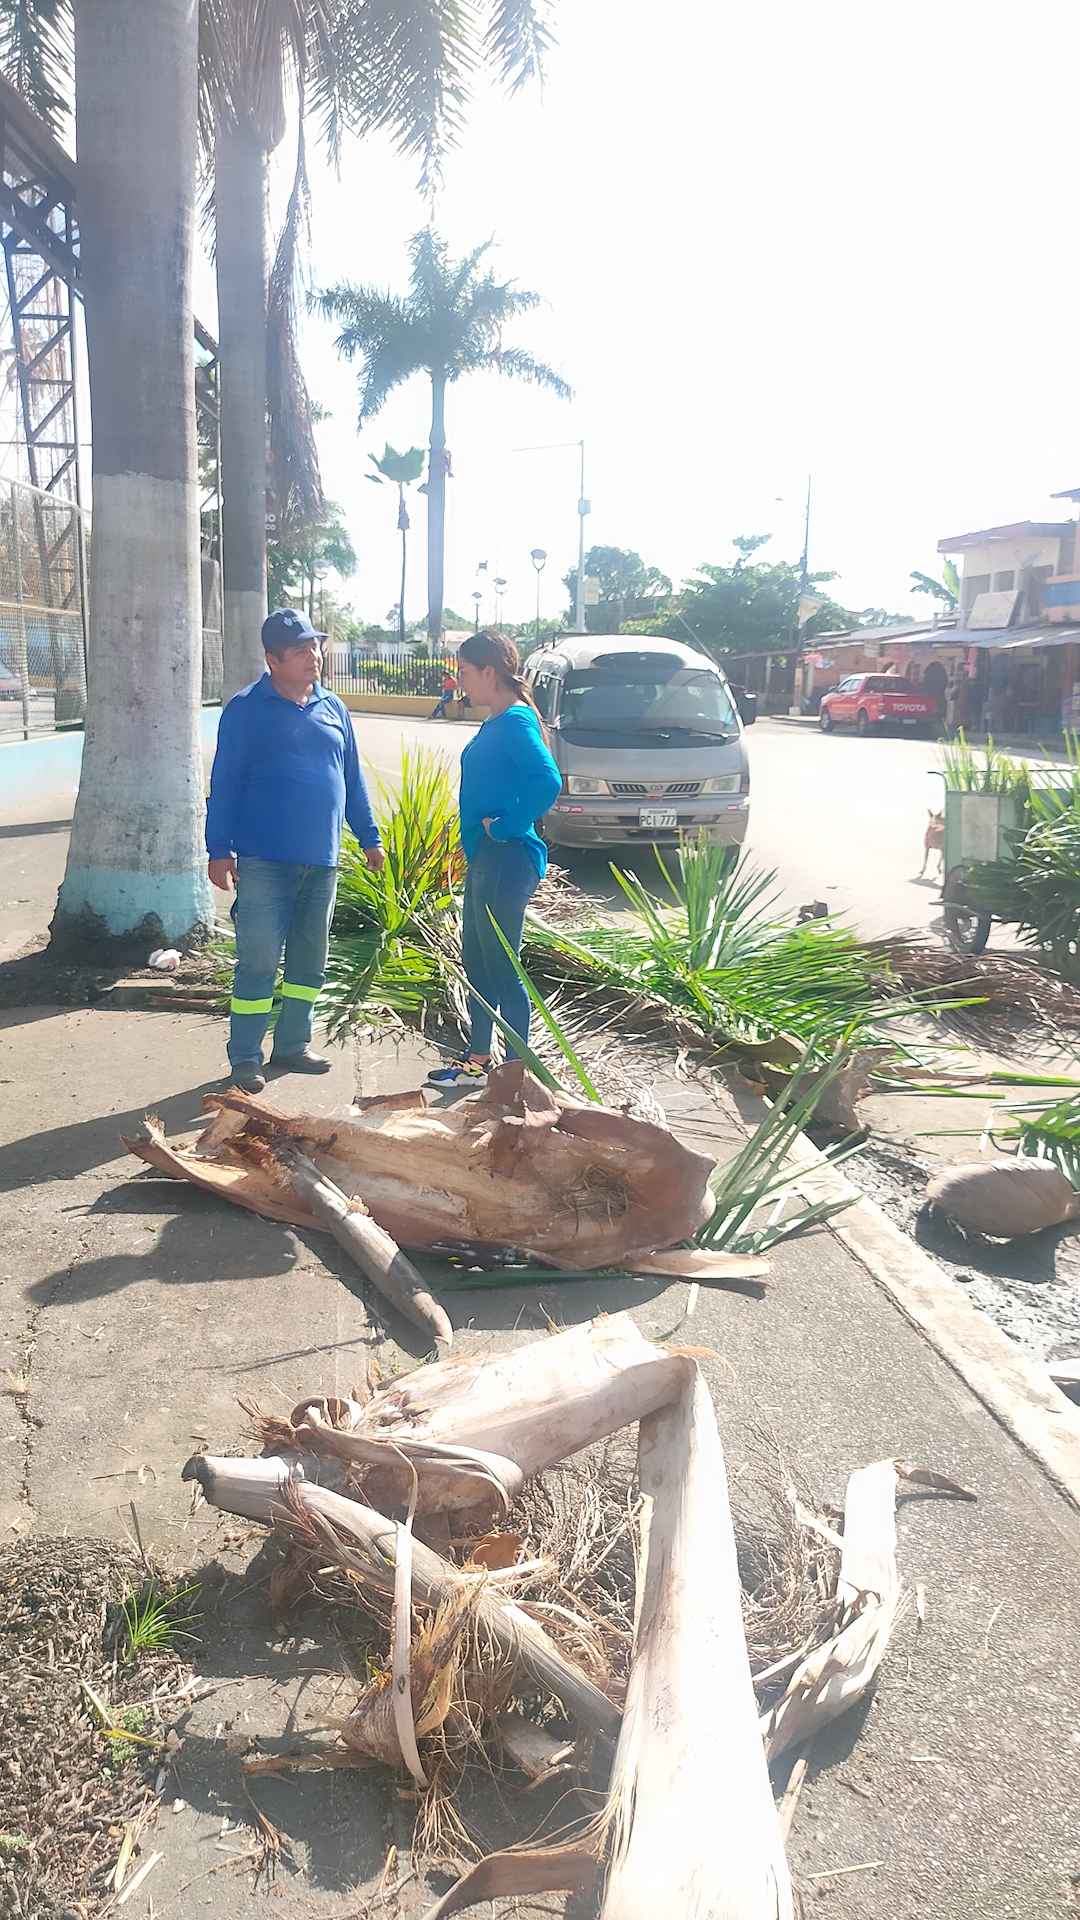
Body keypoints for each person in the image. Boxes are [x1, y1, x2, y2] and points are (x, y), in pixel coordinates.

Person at [205, 607, 385, 1093]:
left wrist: (369, 835)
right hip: (264, 861)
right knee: (259, 960)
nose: (314, 657)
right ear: (273, 660)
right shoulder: (246, 709)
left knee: (309, 961)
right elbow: (225, 782)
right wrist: (218, 848)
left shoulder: (334, 707)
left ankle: (292, 1045)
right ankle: (246, 1056)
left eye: (315, 647)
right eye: (301, 650)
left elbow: (351, 778)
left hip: (322, 860)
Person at [427, 630, 562, 1089]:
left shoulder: (516, 720)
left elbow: (547, 780)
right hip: (488, 858)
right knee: (480, 964)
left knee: (503, 970)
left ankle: (515, 1078)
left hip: (506, 857)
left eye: (465, 672)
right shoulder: (499, 719)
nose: (460, 682)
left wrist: (505, 827)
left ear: (489, 672)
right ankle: (479, 1061)